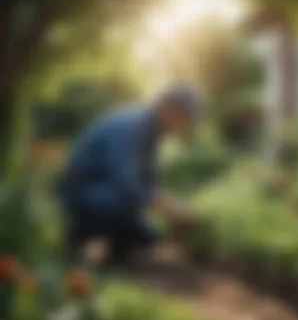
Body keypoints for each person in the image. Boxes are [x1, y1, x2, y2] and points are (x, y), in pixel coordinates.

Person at [58, 84, 203, 267]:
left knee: (150, 237)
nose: (185, 126)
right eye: (186, 119)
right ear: (170, 109)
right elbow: (124, 180)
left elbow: (149, 179)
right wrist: (168, 207)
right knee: (124, 203)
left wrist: (170, 205)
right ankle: (84, 235)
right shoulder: (132, 125)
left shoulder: (152, 131)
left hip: (106, 191)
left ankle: (111, 242)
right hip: (83, 191)